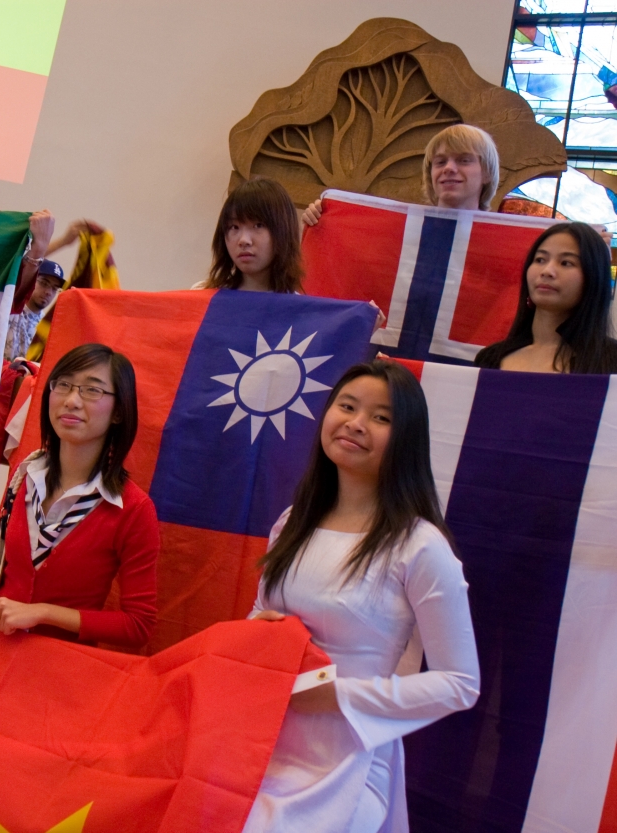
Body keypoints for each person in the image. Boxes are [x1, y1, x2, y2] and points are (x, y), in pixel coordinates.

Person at [244, 359, 479, 833]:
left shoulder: (420, 546)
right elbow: (260, 614)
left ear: (406, 438)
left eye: (381, 417)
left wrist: (337, 696)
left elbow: (460, 683)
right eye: (347, 406)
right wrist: (256, 635)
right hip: (261, 741)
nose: (355, 423)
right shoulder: (293, 523)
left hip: (346, 760)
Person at [0, 343, 159, 649]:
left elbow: (139, 625)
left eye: (92, 390)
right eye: (63, 385)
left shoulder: (133, 508)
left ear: (119, 412)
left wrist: (45, 614)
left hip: (59, 670)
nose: (72, 401)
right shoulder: (25, 474)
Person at [475, 222, 617, 374]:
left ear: (593, 277)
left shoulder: (611, 361)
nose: (547, 271)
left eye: (566, 263)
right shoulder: (489, 359)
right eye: (540, 260)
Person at [302, 123, 500, 225]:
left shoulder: (503, 239)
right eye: (440, 162)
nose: (448, 168)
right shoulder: (405, 227)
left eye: (464, 160)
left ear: (487, 173)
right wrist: (326, 217)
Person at [192, 177, 303, 292]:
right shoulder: (204, 295)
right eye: (234, 227)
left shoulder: (297, 307)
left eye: (258, 226)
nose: (244, 240)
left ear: (283, 231)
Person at [4, 259, 65, 361]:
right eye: (44, 283)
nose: (48, 292)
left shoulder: (48, 326)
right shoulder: (11, 306)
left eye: (54, 288)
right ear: (32, 280)